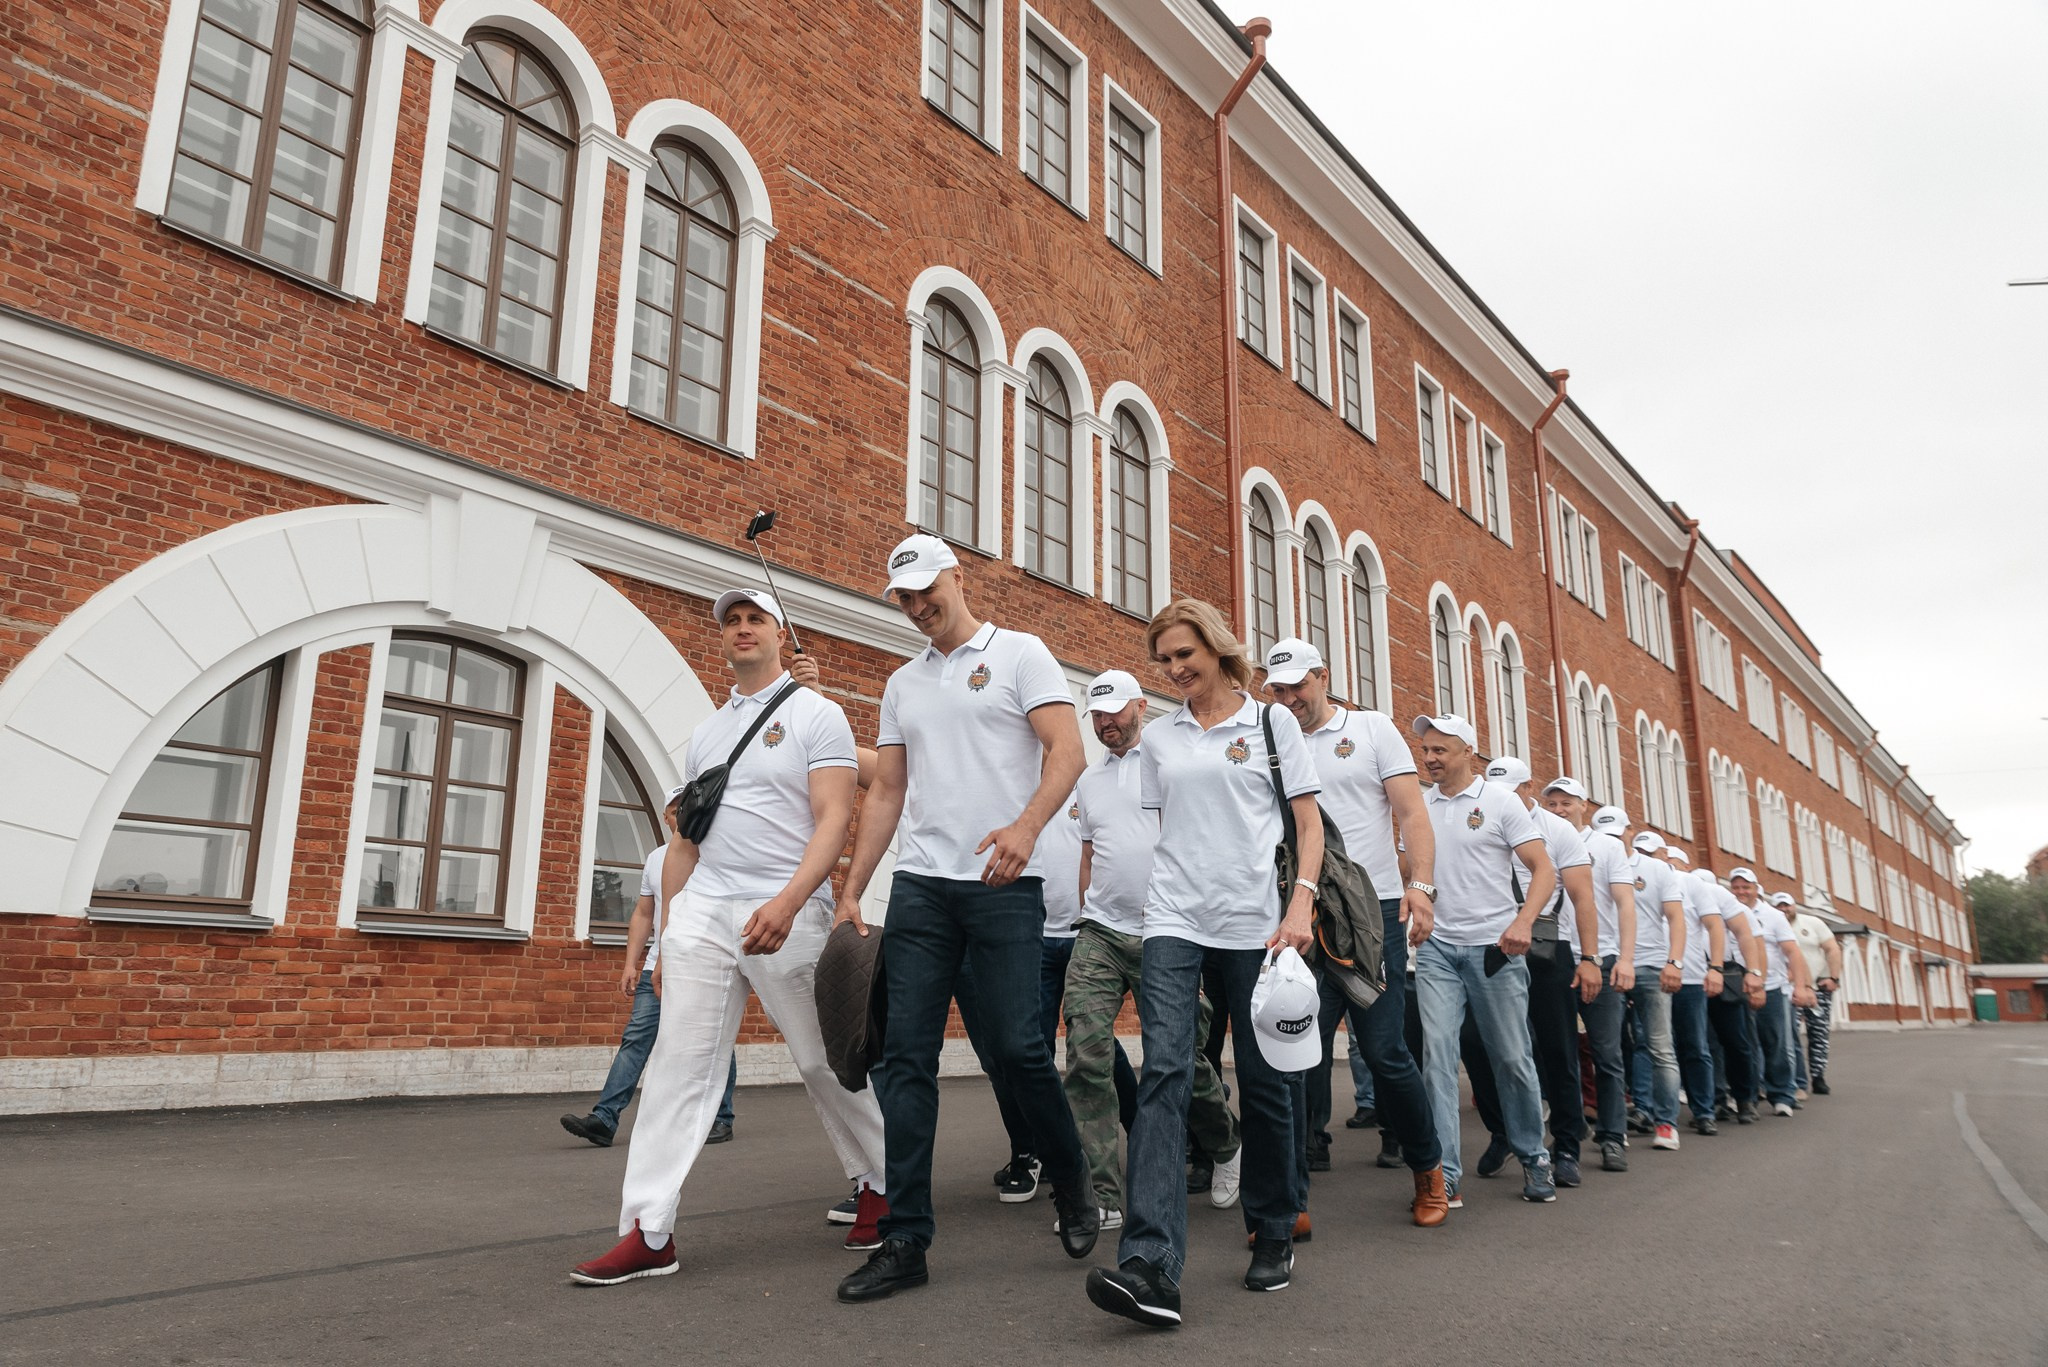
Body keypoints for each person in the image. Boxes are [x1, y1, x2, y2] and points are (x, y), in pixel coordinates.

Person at [570, 589, 888, 1286]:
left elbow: (835, 817)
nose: (742, 629)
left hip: (785, 906)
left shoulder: (817, 714)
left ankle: (879, 1181)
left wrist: (790, 900)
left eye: (755, 619)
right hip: (707, 910)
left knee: (820, 1059)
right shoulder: (709, 732)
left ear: (781, 635)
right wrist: (667, 937)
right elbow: (686, 839)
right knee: (678, 1067)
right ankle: (648, 1230)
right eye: (732, 622)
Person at [837, 535, 1096, 1304]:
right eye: (905, 599)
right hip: (922, 888)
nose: (919, 607)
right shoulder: (901, 684)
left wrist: (1025, 828)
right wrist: (855, 885)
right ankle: (907, 1238)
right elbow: (886, 790)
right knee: (905, 1058)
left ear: (958, 576)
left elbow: (1068, 750)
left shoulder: (1021, 654)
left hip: (1004, 882)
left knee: (1019, 1049)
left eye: (926, 590)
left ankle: (1073, 1182)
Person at [1084, 599, 1321, 1328]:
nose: (1176, 669)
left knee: (1265, 1076)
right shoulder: (1159, 738)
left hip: (1256, 926)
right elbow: (1171, 829)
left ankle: (1275, 1222)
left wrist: (1300, 905)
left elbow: (1306, 822)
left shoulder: (1272, 723)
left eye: (1185, 654)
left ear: (1217, 648)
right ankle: (1150, 1263)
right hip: (1175, 920)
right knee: (1165, 1068)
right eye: (1164, 660)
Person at [1261, 638, 1447, 1227]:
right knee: (1295, 1055)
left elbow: (1412, 812)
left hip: (1371, 915)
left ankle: (1428, 1170)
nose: (1289, 698)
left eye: (1299, 685)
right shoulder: (1269, 736)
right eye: (1279, 689)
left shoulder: (1370, 730)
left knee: (1386, 1052)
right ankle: (1293, 1191)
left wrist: (1422, 886)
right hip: (1300, 911)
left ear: (1324, 676)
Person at [1064, 668, 1241, 1231]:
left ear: (1141, 705)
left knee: (1182, 1058)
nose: (1105, 723)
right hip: (1101, 932)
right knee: (1087, 1053)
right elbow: (1092, 853)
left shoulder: (1173, 761)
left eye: (1114, 711)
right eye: (1096, 715)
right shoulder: (1089, 781)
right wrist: (1085, 902)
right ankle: (1107, 1193)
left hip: (1168, 929)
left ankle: (1225, 1144)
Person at [1411, 714, 1559, 1205]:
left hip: (1495, 949)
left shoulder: (1500, 802)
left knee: (1511, 1057)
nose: (1430, 758)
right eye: (1426, 749)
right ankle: (1444, 1173)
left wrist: (1522, 924)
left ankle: (1534, 1155)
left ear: (1469, 754)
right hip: (1435, 950)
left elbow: (1544, 870)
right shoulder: (1417, 804)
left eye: (1440, 750)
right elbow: (1407, 867)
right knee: (1437, 1059)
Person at [560, 797, 739, 1150]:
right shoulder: (657, 859)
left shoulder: (716, 855)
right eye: (676, 811)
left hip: (703, 963)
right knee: (636, 1039)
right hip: (657, 966)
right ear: (667, 816)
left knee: (715, 1038)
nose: (681, 816)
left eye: (686, 809)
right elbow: (644, 914)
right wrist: (631, 962)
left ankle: (720, 1118)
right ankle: (604, 1119)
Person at [1464, 759, 1601, 1189]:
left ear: (1529, 787)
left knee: (1556, 1047)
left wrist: (1590, 958)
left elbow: (1582, 897)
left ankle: (1566, 1145)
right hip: (1488, 942)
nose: (1504, 797)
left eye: (1512, 790)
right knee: (1476, 1044)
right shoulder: (1482, 816)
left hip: (1545, 947)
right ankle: (1504, 1130)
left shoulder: (1558, 830)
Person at [1539, 790, 1637, 1174]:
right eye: (1553, 804)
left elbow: (1625, 903)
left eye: (1567, 803)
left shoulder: (1606, 846)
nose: (1560, 809)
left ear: (1584, 807)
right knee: (1557, 1051)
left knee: (1606, 1054)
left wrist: (1625, 960)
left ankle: (1613, 1136)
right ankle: (1566, 1127)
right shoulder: (1540, 838)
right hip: (1556, 957)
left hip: (1603, 959)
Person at [1729, 871, 1815, 1117]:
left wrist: (1800, 987)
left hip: (1772, 987)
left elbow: (1793, 953)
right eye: (1736, 887)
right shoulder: (1727, 910)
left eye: (1746, 887)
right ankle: (1750, 1094)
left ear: (1756, 888)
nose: (1741, 892)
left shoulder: (1774, 916)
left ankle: (1782, 1094)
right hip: (1738, 989)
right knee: (1744, 1044)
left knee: (1775, 1042)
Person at [1624, 829, 1686, 1152]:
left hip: (1650, 965)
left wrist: (1674, 962)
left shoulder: (1659, 871)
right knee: (1611, 1049)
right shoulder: (1597, 858)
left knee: (1660, 1047)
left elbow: (1676, 918)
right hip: (1610, 963)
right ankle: (1616, 1123)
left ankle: (1666, 1123)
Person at [1659, 847, 1728, 1136]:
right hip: (1650, 976)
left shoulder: (1691, 884)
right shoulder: (1637, 878)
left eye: (1654, 853)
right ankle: (1654, 1113)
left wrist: (1716, 968)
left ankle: (1704, 1110)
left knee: (1695, 1046)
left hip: (1689, 978)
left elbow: (1715, 925)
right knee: (1653, 1048)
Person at [1698, 868, 1768, 1123]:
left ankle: (1745, 1098)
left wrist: (1755, 974)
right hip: (1693, 972)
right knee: (1704, 1043)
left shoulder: (1720, 897)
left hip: (1726, 975)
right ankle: (1715, 1100)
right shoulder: (1676, 889)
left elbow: (1748, 937)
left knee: (1736, 1041)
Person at [1785, 897, 1844, 1095]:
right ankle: (1793, 1078)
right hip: (1790, 988)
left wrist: (1833, 978)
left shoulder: (1813, 923)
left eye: (1787, 905)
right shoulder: (1772, 922)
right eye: (1779, 905)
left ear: (1794, 906)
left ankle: (1818, 1077)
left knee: (1818, 1033)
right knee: (1790, 1034)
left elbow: (1832, 949)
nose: (1784, 909)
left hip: (1818, 987)